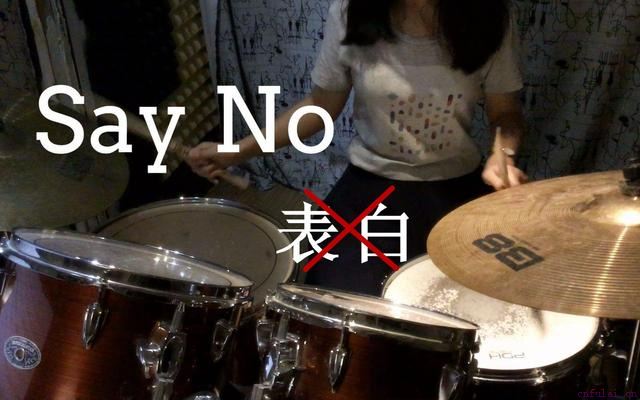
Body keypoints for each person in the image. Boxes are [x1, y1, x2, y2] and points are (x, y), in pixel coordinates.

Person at [187, 0, 528, 296]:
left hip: (455, 185)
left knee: (477, 299)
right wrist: (236, 151)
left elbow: (505, 113)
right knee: (333, 296)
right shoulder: (352, 12)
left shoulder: (490, 16)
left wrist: (504, 155)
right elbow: (320, 108)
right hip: (372, 181)